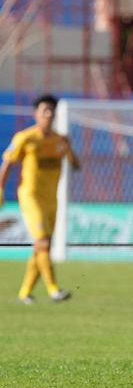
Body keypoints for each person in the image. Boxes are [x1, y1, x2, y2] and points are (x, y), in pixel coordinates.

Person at [0, 94, 80, 304]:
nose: (49, 114)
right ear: (36, 114)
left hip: (51, 200)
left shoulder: (58, 140)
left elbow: (76, 165)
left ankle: (25, 292)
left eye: (52, 110)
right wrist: (0, 189)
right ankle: (54, 289)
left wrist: (68, 147)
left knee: (42, 246)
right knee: (43, 242)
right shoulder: (25, 138)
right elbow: (7, 163)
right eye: (45, 110)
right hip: (30, 196)